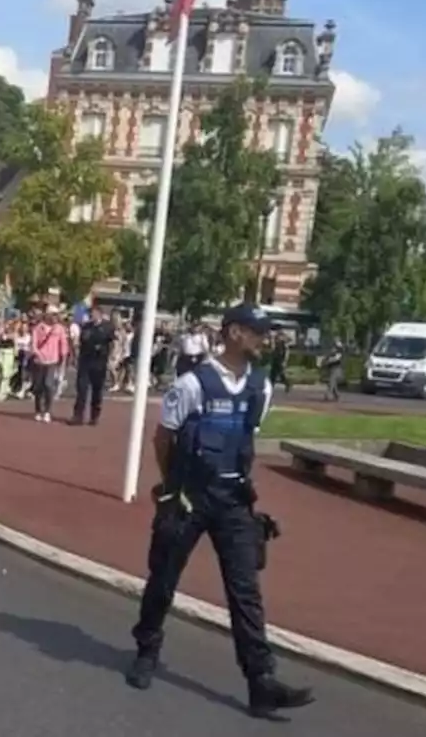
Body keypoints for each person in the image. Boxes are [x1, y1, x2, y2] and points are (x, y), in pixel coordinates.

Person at [125, 303, 314, 718]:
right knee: (163, 578)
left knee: (245, 591)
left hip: (233, 501)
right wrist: (173, 488)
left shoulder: (260, 388)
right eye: (256, 331)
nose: (264, 339)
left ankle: (260, 681)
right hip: (190, 498)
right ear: (232, 333)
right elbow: (164, 439)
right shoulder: (192, 384)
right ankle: (146, 649)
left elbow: (245, 441)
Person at [71, 303, 114, 425]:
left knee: (97, 390)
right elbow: (81, 342)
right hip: (85, 361)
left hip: (99, 362)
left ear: (99, 314)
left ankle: (94, 416)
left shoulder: (107, 327)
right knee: (81, 389)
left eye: (94, 313)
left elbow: (112, 343)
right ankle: (78, 416)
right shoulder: (86, 327)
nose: (92, 315)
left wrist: (111, 357)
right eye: (91, 313)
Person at [29, 305, 68, 423]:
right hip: (39, 361)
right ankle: (38, 410)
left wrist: (63, 358)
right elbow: (33, 344)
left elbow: (63, 344)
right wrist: (37, 353)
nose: (55, 317)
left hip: (52, 361)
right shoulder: (38, 328)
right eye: (53, 314)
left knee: (48, 385)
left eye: (56, 315)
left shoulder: (59, 329)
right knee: (38, 387)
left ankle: (47, 411)